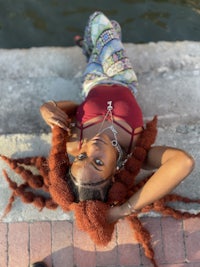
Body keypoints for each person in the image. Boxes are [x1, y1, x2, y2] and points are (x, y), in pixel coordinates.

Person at [40, 11, 194, 223]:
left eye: (83, 158)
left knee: (106, 30)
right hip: (123, 77)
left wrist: (47, 108)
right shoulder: (136, 152)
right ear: (113, 173)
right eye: (98, 162)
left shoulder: (74, 142)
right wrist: (124, 210)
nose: (92, 148)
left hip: (92, 79)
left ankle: (90, 49)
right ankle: (92, 45)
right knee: (103, 23)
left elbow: (77, 108)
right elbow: (183, 162)